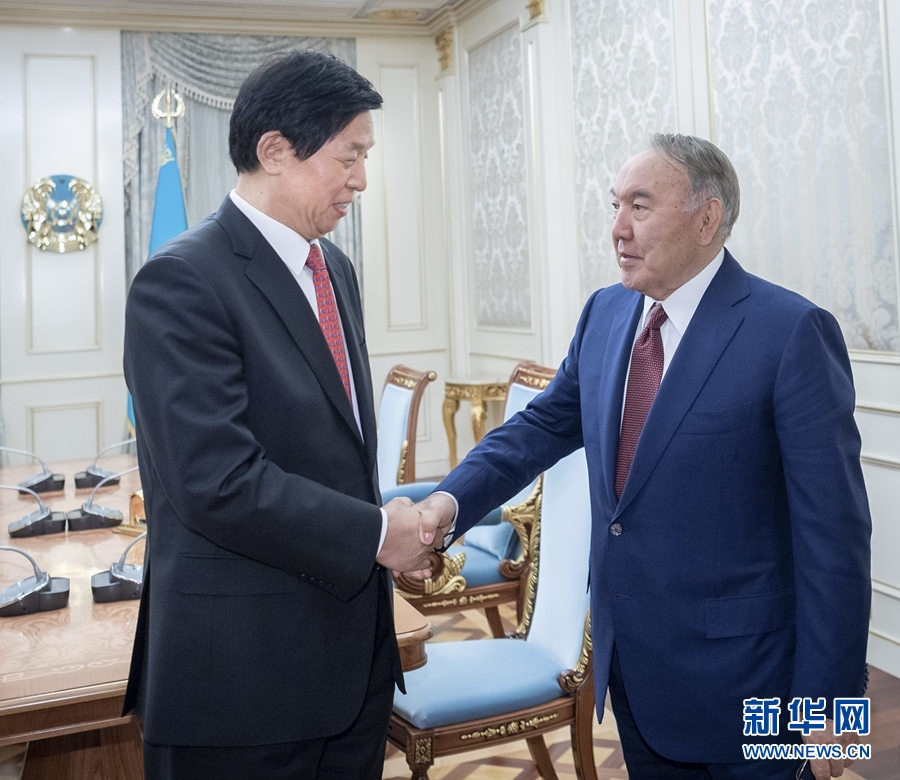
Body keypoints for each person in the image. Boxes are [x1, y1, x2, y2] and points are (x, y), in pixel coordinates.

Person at [417, 134, 872, 780]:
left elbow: (834, 536)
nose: (617, 228)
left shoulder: (789, 331)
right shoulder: (606, 314)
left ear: (706, 219)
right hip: (634, 674)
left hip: (749, 686)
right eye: (615, 205)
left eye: (640, 205)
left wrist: (832, 707)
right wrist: (446, 501)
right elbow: (539, 427)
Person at [123, 49, 442, 780]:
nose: (361, 179)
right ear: (274, 151)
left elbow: (334, 450)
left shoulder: (335, 269)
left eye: (365, 158)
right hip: (242, 683)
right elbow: (217, 482)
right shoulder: (182, 280)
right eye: (349, 156)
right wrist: (377, 534)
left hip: (351, 664)